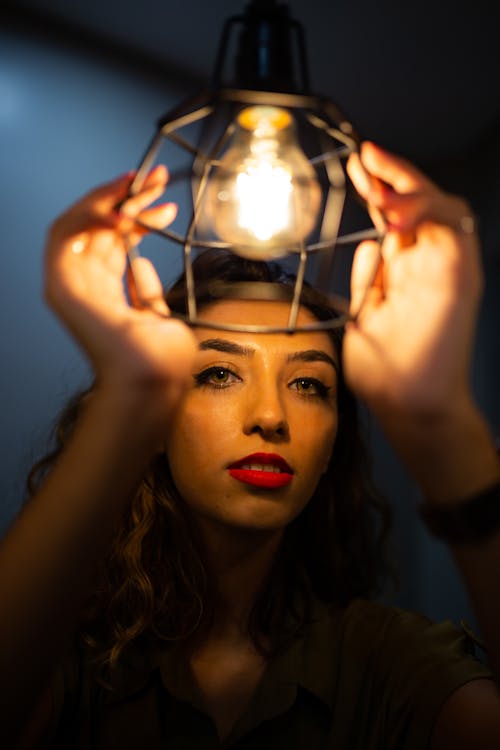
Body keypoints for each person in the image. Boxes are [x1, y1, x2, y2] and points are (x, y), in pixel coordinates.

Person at [1, 142, 499, 749]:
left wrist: (441, 421)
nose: (270, 416)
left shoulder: (388, 663)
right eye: (218, 374)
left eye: (309, 384)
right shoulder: (68, 656)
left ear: (335, 436)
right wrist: (128, 403)